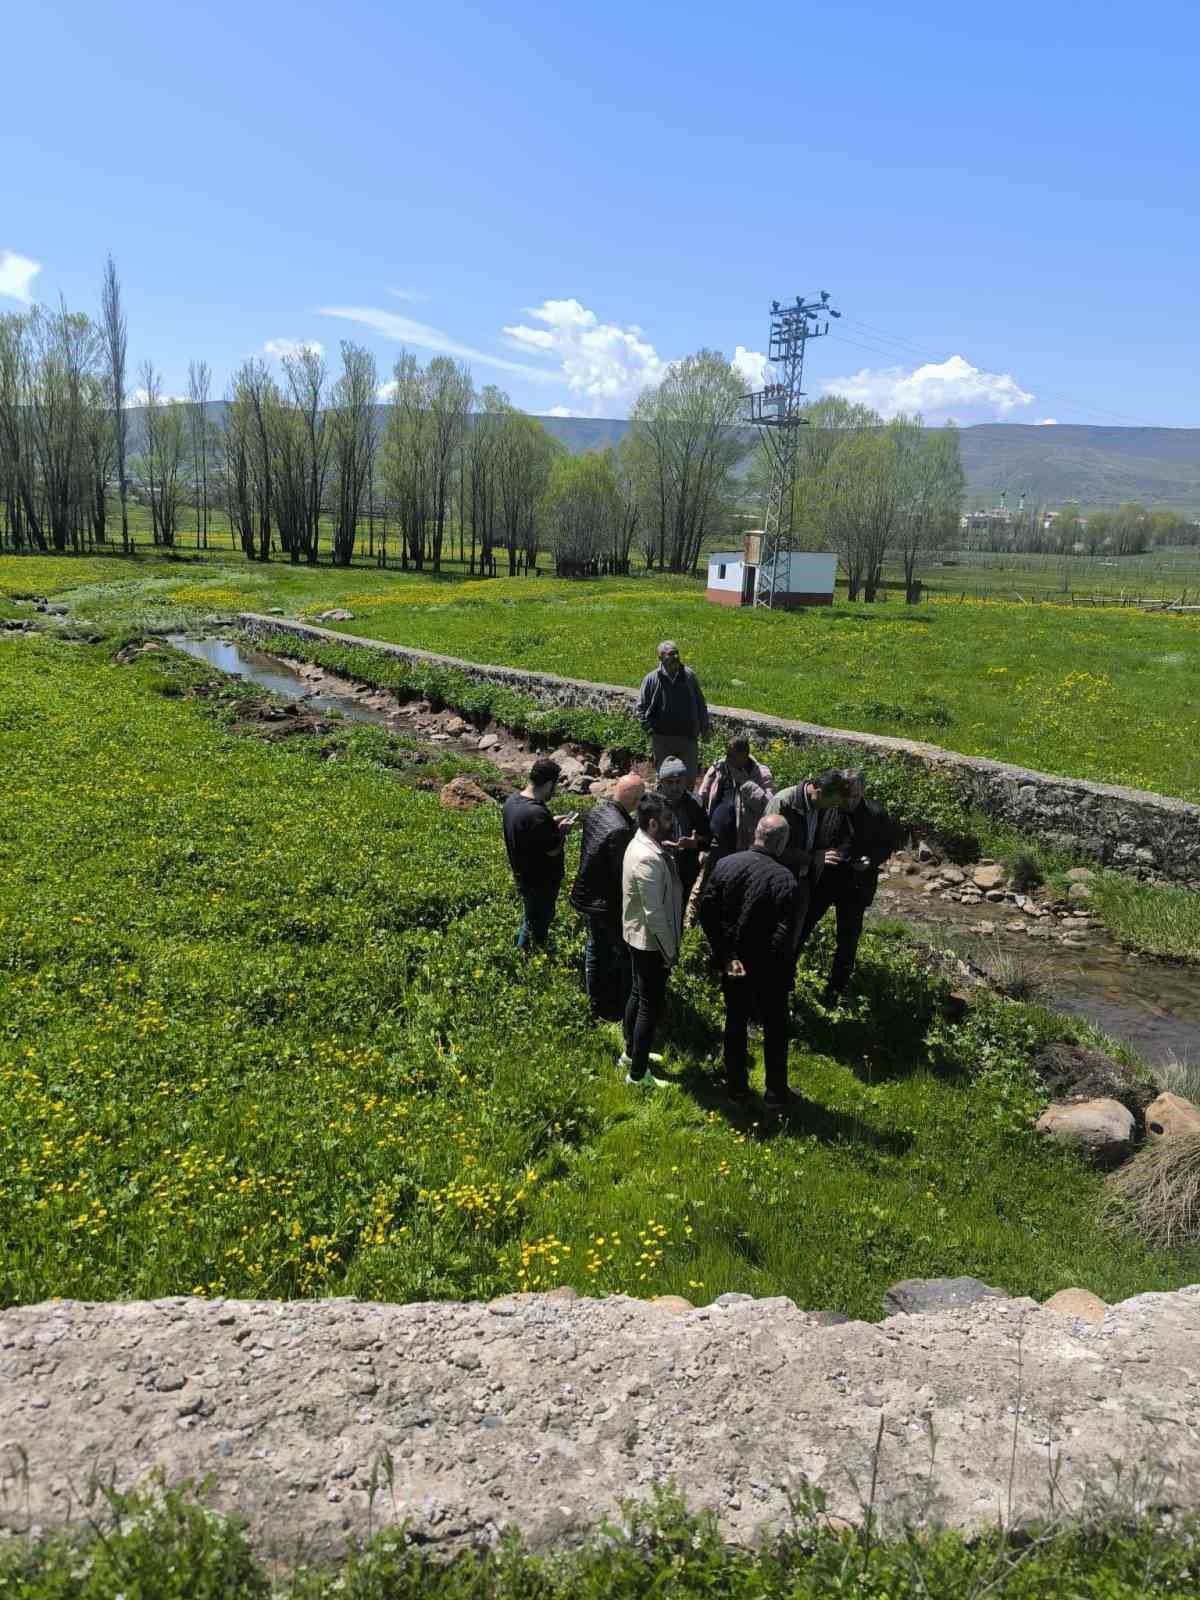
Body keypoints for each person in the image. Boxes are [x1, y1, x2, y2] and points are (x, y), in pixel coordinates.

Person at [698, 814, 802, 1108]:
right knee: (776, 1028)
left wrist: (726, 955)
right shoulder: (785, 879)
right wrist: (773, 968)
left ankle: (736, 1087)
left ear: (756, 833)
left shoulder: (726, 864)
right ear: (782, 842)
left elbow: (707, 912)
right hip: (769, 968)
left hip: (734, 963)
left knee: (735, 1022)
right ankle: (775, 1092)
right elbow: (784, 936)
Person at [799, 767, 901, 1005]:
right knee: (803, 925)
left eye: (854, 796)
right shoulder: (828, 807)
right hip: (824, 880)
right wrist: (818, 856)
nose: (849, 801)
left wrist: (871, 861)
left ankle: (836, 989)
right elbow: (811, 836)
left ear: (862, 791)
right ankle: (786, 973)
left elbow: (887, 845)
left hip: (855, 885)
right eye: (845, 795)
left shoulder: (876, 813)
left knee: (847, 939)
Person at [569, 772, 645, 1020]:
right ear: (633, 799)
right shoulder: (620, 829)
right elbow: (621, 875)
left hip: (588, 891)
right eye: (641, 797)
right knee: (617, 952)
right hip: (605, 902)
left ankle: (594, 998)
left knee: (595, 947)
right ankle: (611, 1004)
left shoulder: (597, 811)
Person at [620, 792, 683, 1087]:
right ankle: (637, 1075)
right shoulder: (647, 858)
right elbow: (654, 914)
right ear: (654, 824)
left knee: (638, 994)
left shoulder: (642, 844)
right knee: (649, 1006)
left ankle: (631, 1054)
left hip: (638, 936)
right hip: (651, 943)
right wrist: (669, 951)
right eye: (668, 820)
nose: (673, 824)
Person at [501, 758, 577, 950]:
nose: (554, 791)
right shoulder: (537, 814)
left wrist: (551, 822)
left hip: (523, 875)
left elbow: (529, 831)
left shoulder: (512, 801)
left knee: (530, 916)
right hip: (541, 881)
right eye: (554, 786)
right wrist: (562, 832)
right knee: (539, 922)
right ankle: (533, 953)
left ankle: (524, 951)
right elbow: (553, 850)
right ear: (549, 784)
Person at [763, 769, 852, 924]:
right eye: (832, 803)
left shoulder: (818, 806)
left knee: (793, 931)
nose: (833, 807)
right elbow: (770, 850)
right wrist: (813, 858)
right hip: (777, 882)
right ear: (818, 792)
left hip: (803, 879)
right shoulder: (783, 803)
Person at [635, 640, 709, 788]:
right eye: (671, 654)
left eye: (677, 653)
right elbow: (641, 707)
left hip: (687, 737)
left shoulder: (688, 676)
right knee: (665, 778)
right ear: (660, 658)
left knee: (688, 778)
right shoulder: (651, 679)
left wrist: (704, 727)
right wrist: (649, 729)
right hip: (662, 739)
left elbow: (700, 703)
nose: (675, 657)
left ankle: (687, 802)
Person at [696, 733, 775, 859]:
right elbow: (702, 794)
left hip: (741, 841)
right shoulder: (720, 767)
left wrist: (745, 782)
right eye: (727, 753)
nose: (727, 758)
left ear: (744, 755)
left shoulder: (760, 773)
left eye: (731, 755)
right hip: (715, 838)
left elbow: (768, 805)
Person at [653, 756, 712, 903]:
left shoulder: (695, 803)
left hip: (685, 872)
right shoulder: (651, 804)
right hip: (658, 870)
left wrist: (695, 843)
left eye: (679, 782)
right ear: (661, 782)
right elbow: (639, 837)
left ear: (685, 781)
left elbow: (707, 838)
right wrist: (658, 844)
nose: (675, 787)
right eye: (670, 782)